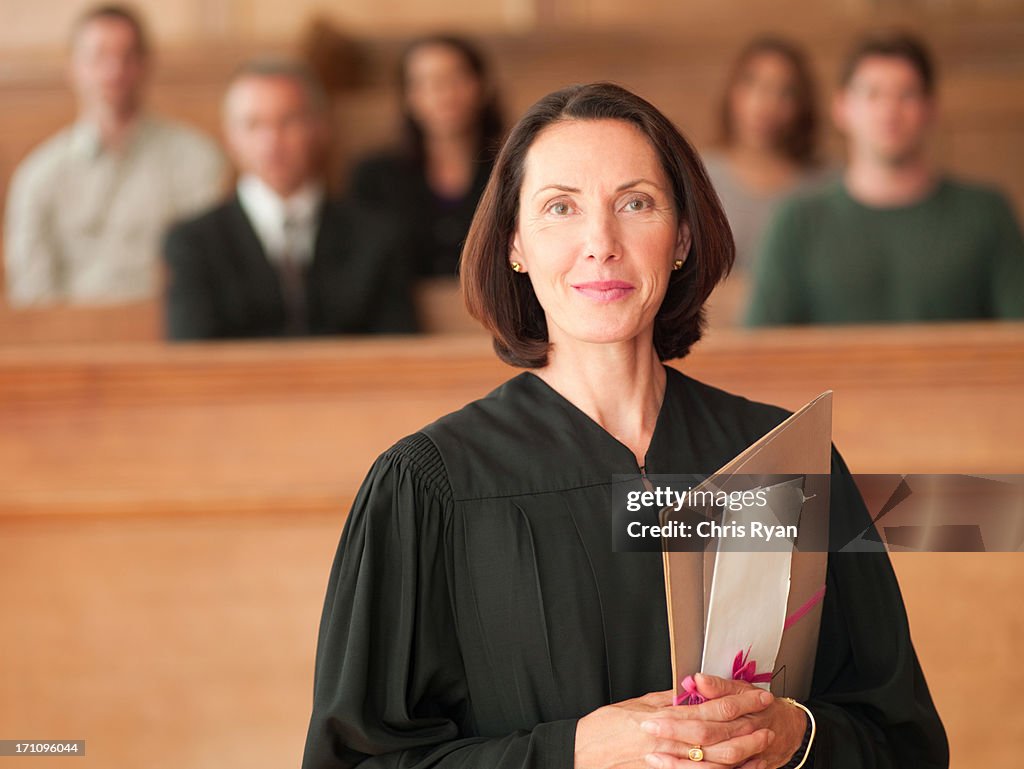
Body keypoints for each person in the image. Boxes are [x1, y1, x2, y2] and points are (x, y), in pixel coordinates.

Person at [301, 83, 948, 769]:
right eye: (560, 208)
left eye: (634, 203)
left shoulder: (784, 461)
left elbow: (902, 739)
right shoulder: (429, 487)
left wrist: (793, 736)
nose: (600, 243)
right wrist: (569, 752)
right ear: (515, 244)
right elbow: (356, 760)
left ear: (682, 236)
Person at [745, 31, 1024, 326]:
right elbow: (759, 351)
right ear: (842, 107)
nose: (889, 111)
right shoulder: (797, 221)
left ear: (930, 109)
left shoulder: (986, 214)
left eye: (907, 95)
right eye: (872, 94)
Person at [163, 58, 418, 340]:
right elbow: (192, 360)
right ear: (229, 138)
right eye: (253, 124)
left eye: (289, 121)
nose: (272, 140)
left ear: (320, 128)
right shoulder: (192, 242)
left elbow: (397, 354)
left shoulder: (376, 237)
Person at [4, 4, 226, 308]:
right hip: (70, 343)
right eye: (98, 57)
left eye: (127, 56)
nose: (114, 70)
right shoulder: (39, 174)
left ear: (146, 64)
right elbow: (32, 290)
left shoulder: (196, 159)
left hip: (172, 338)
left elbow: (210, 273)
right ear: (73, 67)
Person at [347, 34, 503, 278]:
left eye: (455, 79)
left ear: (482, 86)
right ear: (408, 97)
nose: (442, 94)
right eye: (425, 83)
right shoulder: (374, 177)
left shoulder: (512, 169)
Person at [703, 36, 831, 274]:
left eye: (785, 92)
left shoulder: (826, 185)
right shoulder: (698, 177)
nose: (766, 104)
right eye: (752, 83)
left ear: (802, 105)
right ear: (732, 91)